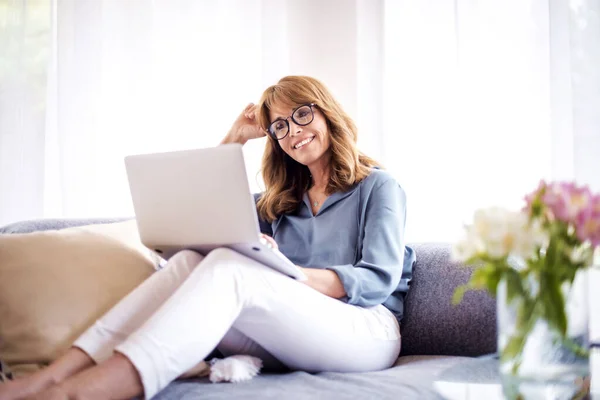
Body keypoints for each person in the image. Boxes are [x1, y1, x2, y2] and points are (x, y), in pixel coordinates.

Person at [0, 75, 415, 400]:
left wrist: (289, 274)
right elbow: (204, 210)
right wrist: (236, 136)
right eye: (280, 126)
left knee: (234, 271)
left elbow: (377, 280)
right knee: (190, 262)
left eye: (303, 115)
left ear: (327, 113)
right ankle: (50, 377)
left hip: (369, 331)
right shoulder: (279, 201)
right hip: (301, 332)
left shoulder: (378, 187)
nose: (293, 131)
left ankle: (83, 391)